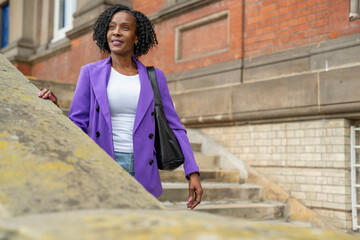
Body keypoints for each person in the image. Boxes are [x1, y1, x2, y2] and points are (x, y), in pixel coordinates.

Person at [38, 4, 203, 209]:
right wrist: (55, 109)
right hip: (102, 164)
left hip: (142, 167)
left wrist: (192, 171)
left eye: (125, 27)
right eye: (111, 27)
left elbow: (175, 126)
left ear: (136, 37)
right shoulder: (90, 73)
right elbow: (77, 124)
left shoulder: (154, 77)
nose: (116, 32)